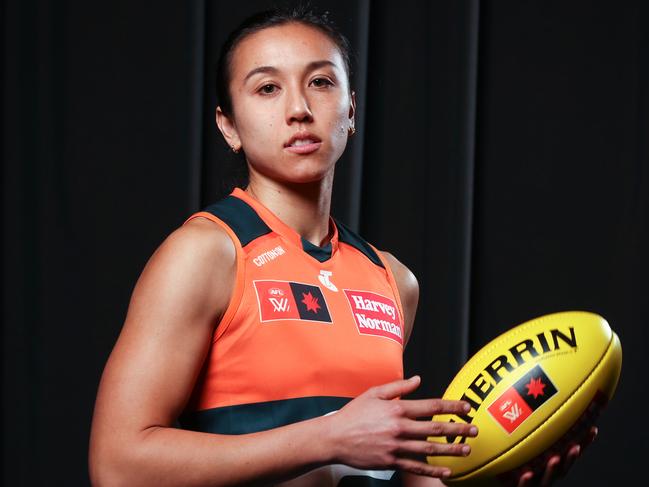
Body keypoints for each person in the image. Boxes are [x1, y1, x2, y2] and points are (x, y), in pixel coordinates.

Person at [89, 7, 590, 486]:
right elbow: (118, 466)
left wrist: (497, 470)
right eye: (267, 88)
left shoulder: (394, 279)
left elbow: (384, 466)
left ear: (350, 109)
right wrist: (327, 438)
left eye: (322, 82)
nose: (299, 110)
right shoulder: (208, 252)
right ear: (229, 126)